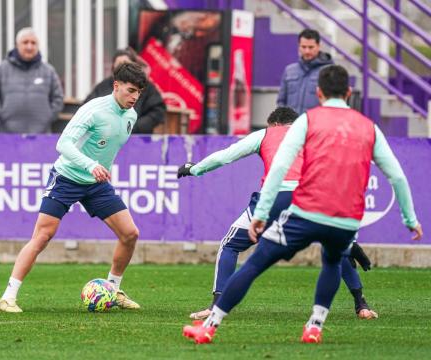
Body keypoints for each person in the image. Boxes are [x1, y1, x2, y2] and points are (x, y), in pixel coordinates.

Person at [182, 65, 423, 345]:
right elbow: (396, 175)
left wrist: (261, 213)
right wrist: (409, 220)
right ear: (348, 92)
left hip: (300, 205)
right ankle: (318, 325)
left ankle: (210, 325)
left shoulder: (306, 122)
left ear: (318, 92)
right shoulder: (369, 127)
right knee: (334, 259)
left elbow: (279, 166)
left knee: (254, 260)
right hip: (341, 212)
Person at [178, 106, 377, 322]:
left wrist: (194, 169)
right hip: (311, 198)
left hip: (275, 198)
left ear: (273, 124)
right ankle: (361, 305)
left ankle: (216, 305)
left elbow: (226, 156)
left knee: (230, 245)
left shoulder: (265, 134)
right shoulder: (312, 134)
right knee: (337, 250)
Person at [0, 62, 147, 313]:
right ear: (116, 86)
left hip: (96, 184)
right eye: (130, 90)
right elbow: (63, 144)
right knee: (43, 236)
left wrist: (95, 170)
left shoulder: (131, 116)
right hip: (66, 177)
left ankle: (113, 289)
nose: (135, 97)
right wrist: (90, 165)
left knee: (130, 233)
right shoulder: (93, 110)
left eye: (139, 92)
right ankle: (8, 297)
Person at [0, 27, 64, 133]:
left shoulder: (48, 71)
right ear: (17, 45)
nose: (29, 46)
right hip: (8, 135)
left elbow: (58, 98)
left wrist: (47, 117)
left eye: (33, 43)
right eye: (25, 42)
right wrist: (2, 114)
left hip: (41, 136)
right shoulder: (3, 69)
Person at [84, 48, 165, 134]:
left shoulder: (146, 86)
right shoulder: (103, 86)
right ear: (113, 67)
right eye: (119, 64)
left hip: (137, 138)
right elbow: (88, 108)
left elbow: (158, 111)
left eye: (126, 64)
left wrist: (135, 127)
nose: (123, 68)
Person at [277, 29, 334, 115]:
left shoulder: (329, 71)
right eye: (303, 47)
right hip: (292, 126)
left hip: (316, 126)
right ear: (298, 46)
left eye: (311, 47)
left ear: (319, 46)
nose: (307, 51)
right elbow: (281, 101)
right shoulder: (289, 71)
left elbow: (332, 103)